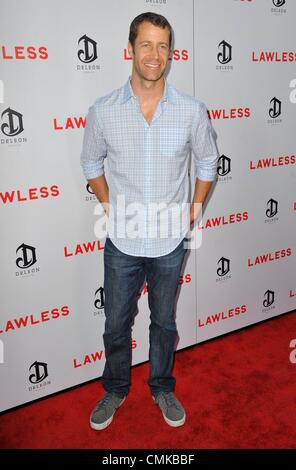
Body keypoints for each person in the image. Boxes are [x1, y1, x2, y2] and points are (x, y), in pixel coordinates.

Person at [80, 11, 219, 430]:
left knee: (164, 322)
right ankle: (115, 388)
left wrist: (192, 212)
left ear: (171, 53)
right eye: (146, 44)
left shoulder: (192, 111)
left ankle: (161, 386)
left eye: (162, 46)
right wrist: (111, 207)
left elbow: (209, 161)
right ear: (131, 49)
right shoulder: (103, 110)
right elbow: (90, 162)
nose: (154, 54)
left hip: (170, 243)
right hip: (122, 240)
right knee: (116, 322)